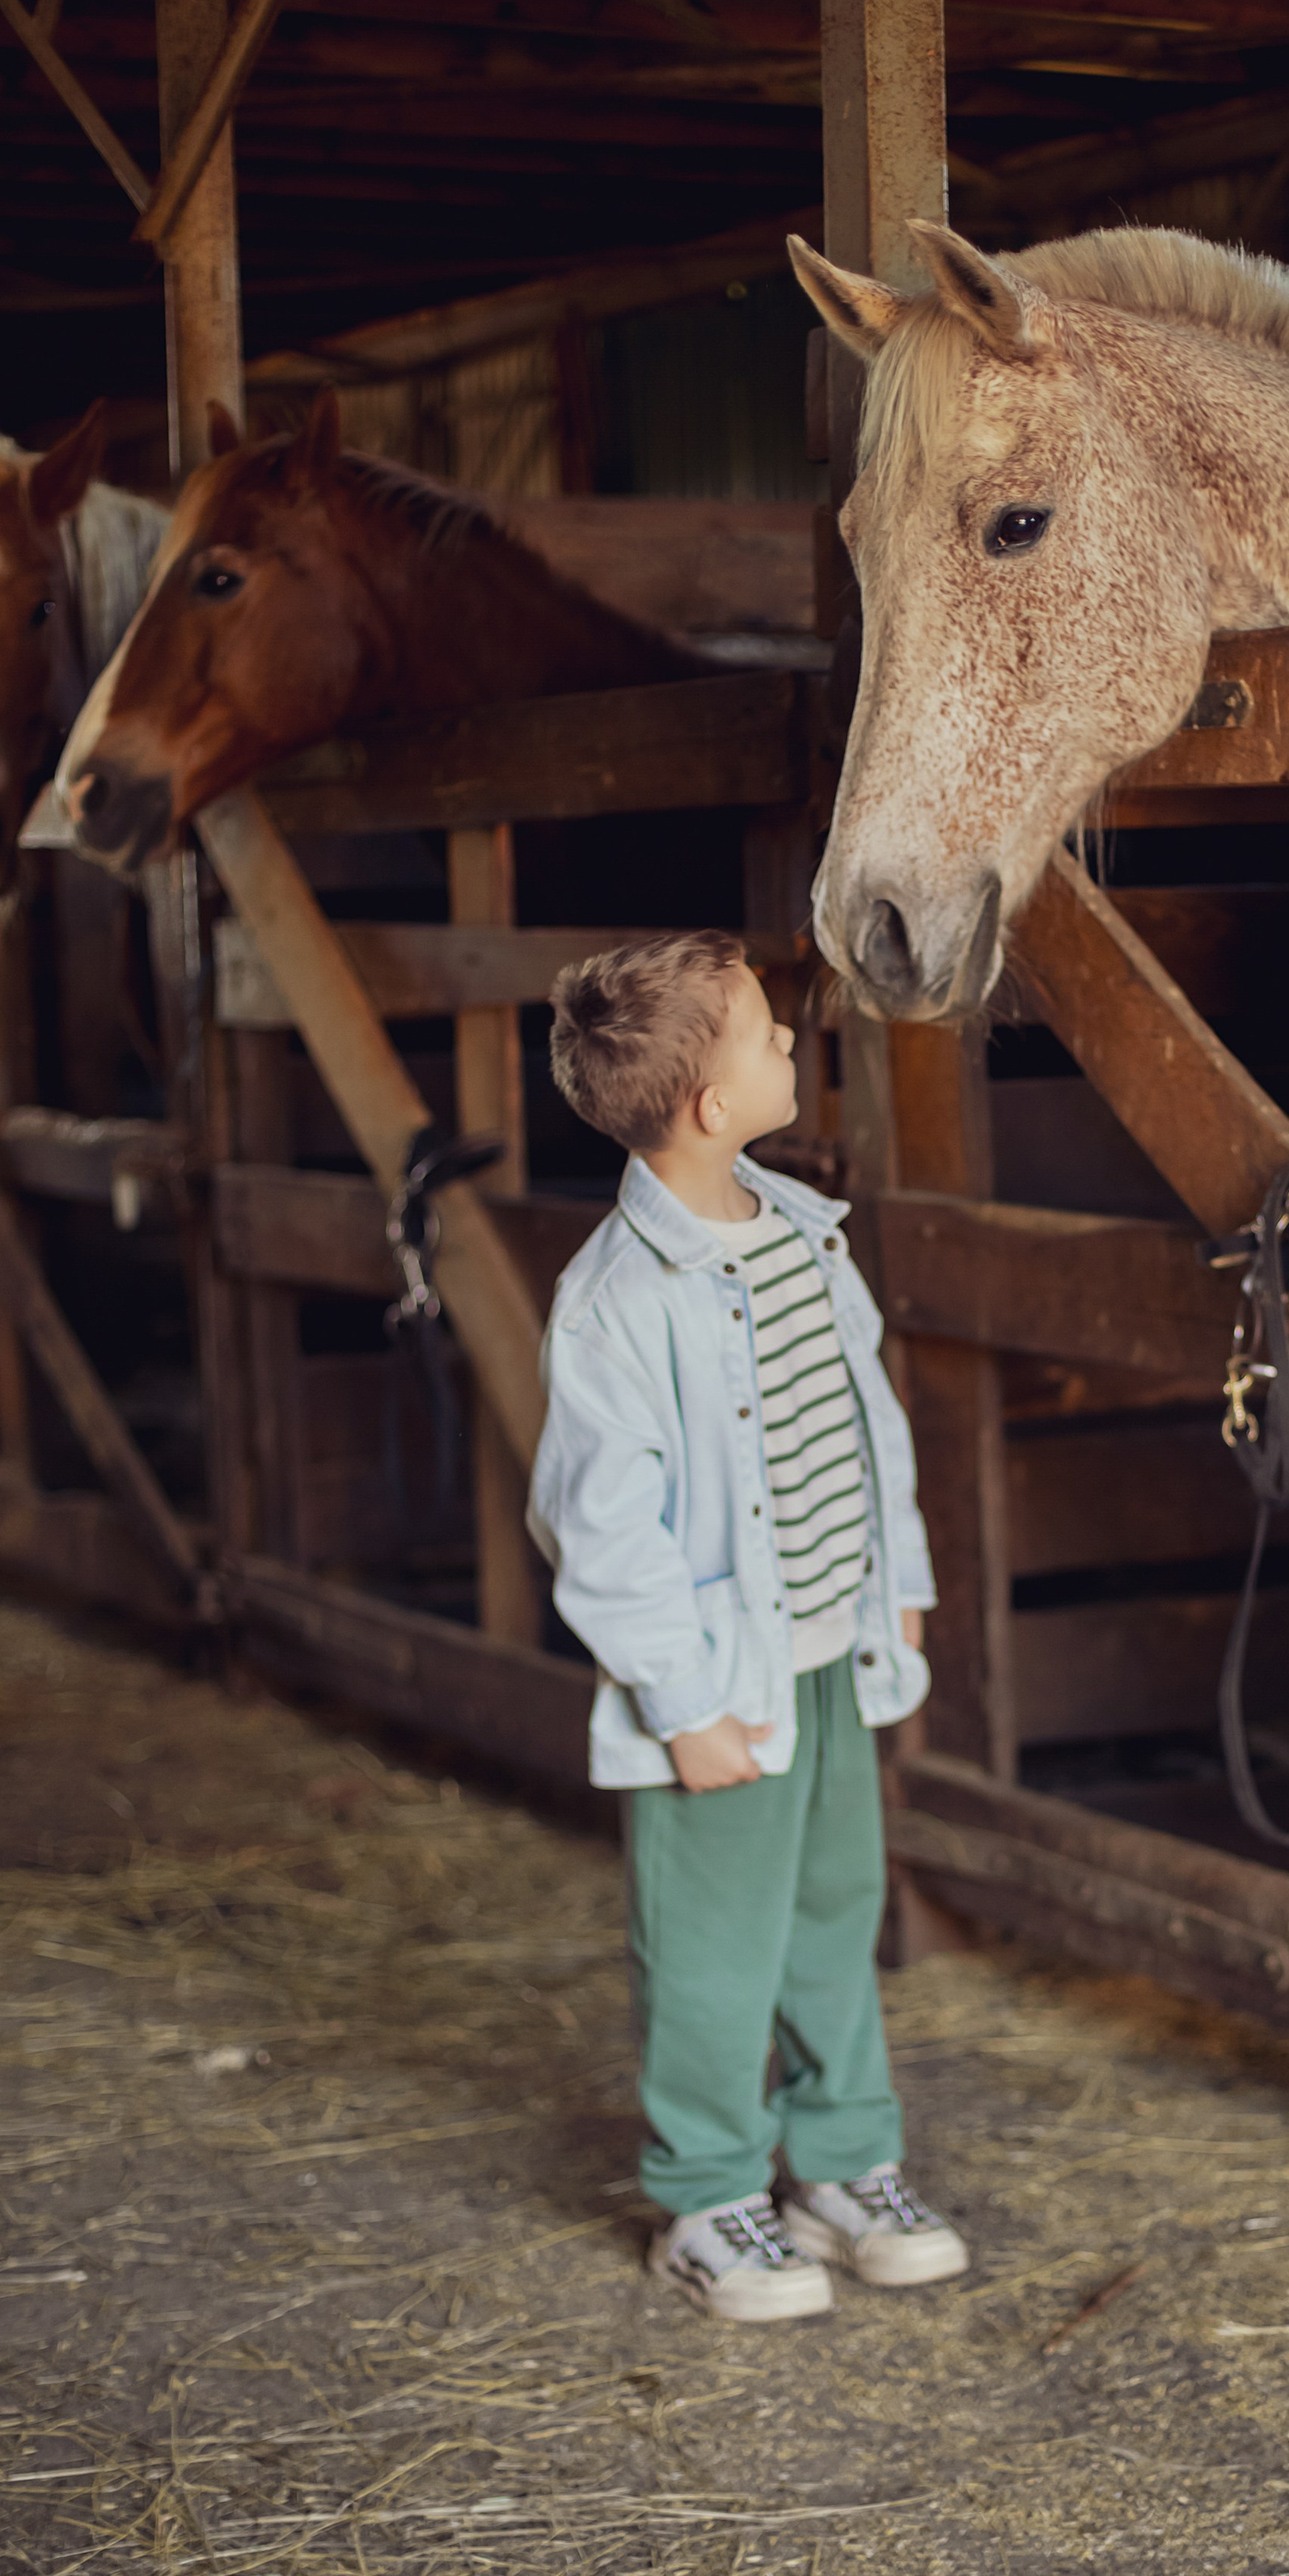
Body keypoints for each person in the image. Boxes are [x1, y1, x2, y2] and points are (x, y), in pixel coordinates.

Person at [529, 931, 969, 2323]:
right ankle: (709, 2193)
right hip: (719, 1686)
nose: (794, 1045)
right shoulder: (614, 1300)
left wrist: (893, 1573)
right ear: (710, 1105)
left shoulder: (801, 1234)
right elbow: (597, 1529)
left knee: (840, 1907)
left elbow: (864, 1420)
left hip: (825, 1652)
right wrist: (677, 1698)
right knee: (714, 1944)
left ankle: (838, 2165)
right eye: (772, 1036)